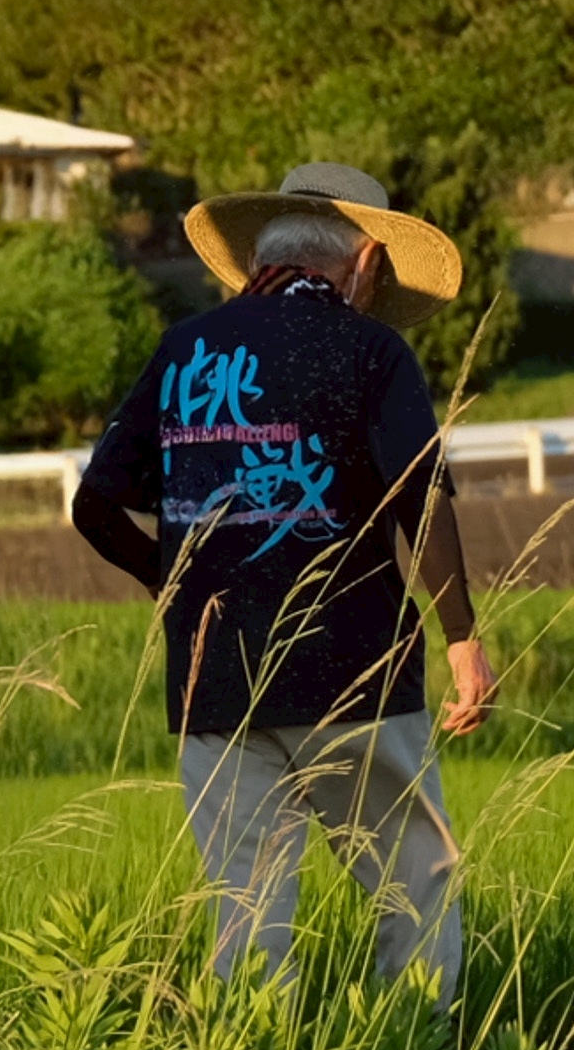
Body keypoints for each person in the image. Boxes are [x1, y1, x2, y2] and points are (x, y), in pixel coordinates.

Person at [72, 161, 498, 1001]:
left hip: (214, 678)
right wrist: (463, 641)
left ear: (262, 252)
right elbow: (420, 491)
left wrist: (180, 585)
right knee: (414, 885)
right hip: (355, 674)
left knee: (246, 912)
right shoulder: (371, 348)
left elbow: (95, 506)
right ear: (367, 259)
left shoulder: (183, 349)